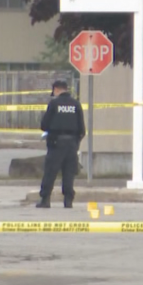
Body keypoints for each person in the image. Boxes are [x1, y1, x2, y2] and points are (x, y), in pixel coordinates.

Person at [37, 80, 86, 208]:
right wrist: (76, 142)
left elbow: (44, 125)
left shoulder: (54, 104)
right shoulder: (76, 104)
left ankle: (45, 199)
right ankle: (68, 200)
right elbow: (82, 128)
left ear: (56, 89)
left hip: (56, 142)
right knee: (69, 172)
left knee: (50, 172)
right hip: (72, 143)